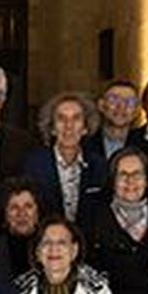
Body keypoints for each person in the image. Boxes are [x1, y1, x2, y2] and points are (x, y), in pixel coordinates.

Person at [85, 147, 148, 294]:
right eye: (123, 174)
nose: (130, 181)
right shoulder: (92, 215)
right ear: (112, 180)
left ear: (147, 180)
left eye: (137, 174)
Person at [24, 92, 104, 223]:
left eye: (76, 118)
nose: (69, 126)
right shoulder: (33, 165)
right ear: (52, 128)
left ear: (85, 128)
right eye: (61, 119)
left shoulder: (99, 165)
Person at [83, 79, 145, 162]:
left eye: (129, 102)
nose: (121, 107)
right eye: (114, 100)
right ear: (101, 105)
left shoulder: (146, 148)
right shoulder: (84, 144)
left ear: (136, 110)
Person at [0, 178, 44, 277]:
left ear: (38, 212)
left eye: (28, 206)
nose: (22, 213)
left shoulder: (51, 246)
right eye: (14, 207)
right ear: (4, 214)